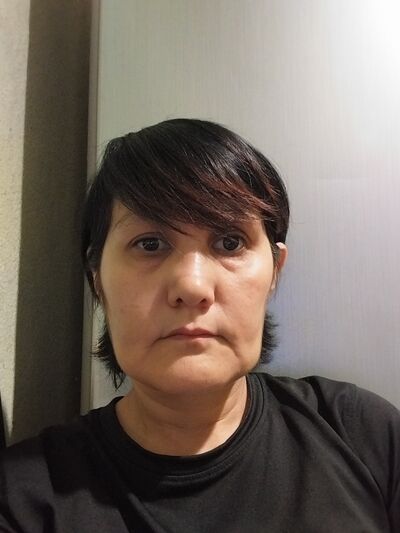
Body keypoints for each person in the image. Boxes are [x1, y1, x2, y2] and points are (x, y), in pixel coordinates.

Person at [0, 118, 399, 532]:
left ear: (275, 271)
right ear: (97, 278)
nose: (192, 286)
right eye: (150, 244)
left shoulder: (364, 433)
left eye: (230, 242)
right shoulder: (23, 502)